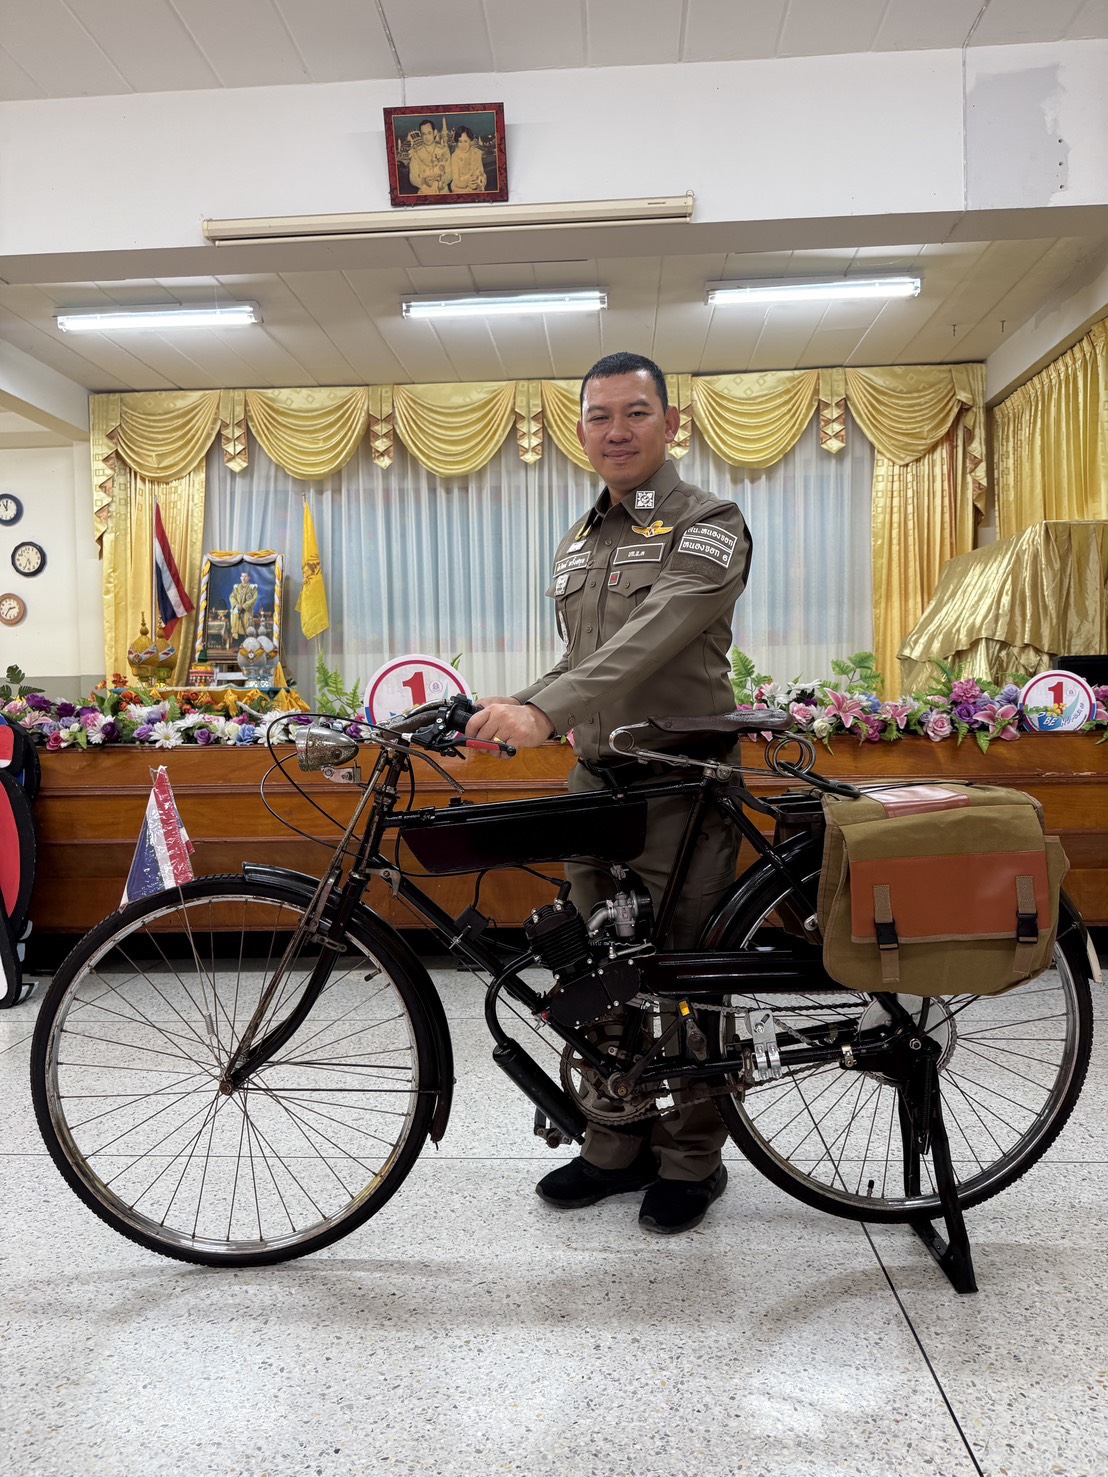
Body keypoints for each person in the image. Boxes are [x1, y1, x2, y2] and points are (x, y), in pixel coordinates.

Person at [466, 351, 752, 1235]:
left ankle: (692, 1158)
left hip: (682, 783)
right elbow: (583, 658)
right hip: (597, 781)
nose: (616, 430)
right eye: (599, 415)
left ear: (672, 423)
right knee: (596, 967)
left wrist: (544, 711)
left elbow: (652, 638)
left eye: (636, 412)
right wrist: (512, 704)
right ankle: (614, 1138)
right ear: (581, 429)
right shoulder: (582, 537)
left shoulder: (708, 523)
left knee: (680, 973)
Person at [407, 119, 449, 195]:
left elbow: (450, 174)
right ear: (421, 135)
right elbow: (412, 178)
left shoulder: (444, 150)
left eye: (429, 133)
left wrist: (441, 180)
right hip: (424, 193)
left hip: (443, 192)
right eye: (424, 134)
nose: (427, 137)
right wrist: (424, 181)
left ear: (434, 132)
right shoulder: (416, 153)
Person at [448, 126, 487, 194]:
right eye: (460, 142)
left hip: (476, 188)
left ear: (470, 141)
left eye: (465, 141)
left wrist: (482, 179)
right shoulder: (455, 156)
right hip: (460, 190)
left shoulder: (477, 153)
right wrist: (467, 183)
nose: (463, 145)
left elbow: (481, 172)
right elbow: (456, 181)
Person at [229, 570, 259, 642]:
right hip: (237, 610)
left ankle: (246, 644)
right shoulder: (237, 587)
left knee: (246, 627)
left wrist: (244, 607)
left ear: (249, 577)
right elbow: (232, 597)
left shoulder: (253, 588)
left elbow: (254, 599)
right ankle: (237, 644)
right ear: (240, 578)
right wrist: (236, 605)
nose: (243, 578)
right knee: (237, 627)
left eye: (245, 576)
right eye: (242, 576)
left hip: (247, 611)